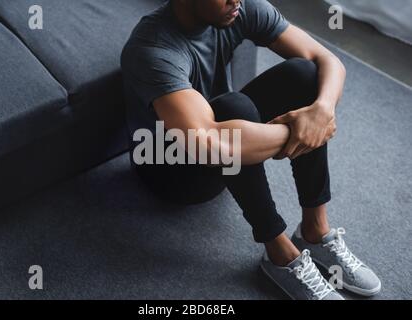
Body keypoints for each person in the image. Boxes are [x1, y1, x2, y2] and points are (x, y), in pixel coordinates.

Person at [121, 0, 381, 300]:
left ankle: (315, 231)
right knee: (235, 108)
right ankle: (280, 255)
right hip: (173, 170)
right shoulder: (152, 49)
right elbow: (209, 143)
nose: (238, 1)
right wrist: (303, 130)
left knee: (305, 74)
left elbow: (326, 60)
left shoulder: (238, 8)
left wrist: (321, 111)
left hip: (227, 142)